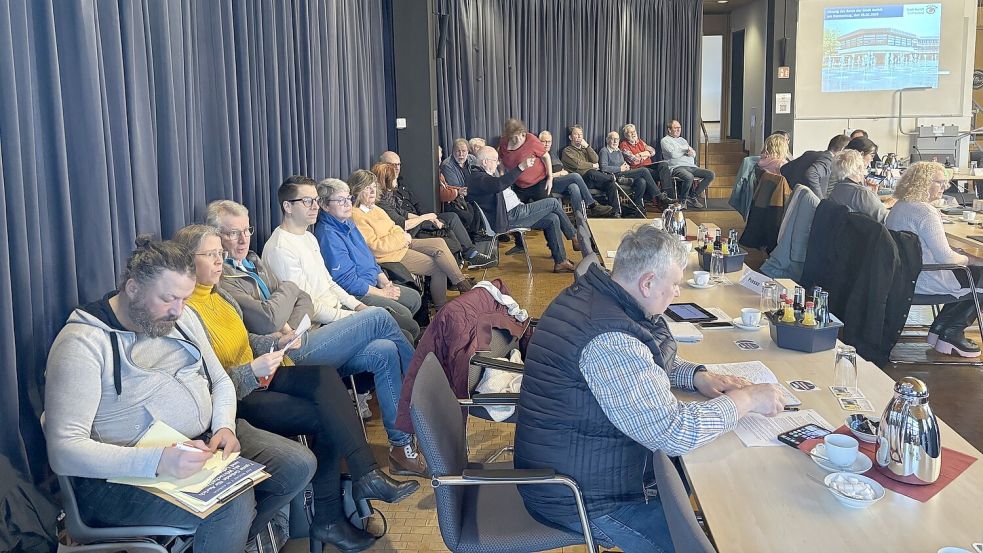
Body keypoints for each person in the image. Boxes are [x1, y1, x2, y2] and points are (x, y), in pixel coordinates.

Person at [513, 226, 785, 551]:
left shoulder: (599, 297)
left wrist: (697, 377)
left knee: (712, 501)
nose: (677, 294)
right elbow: (673, 433)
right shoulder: (609, 339)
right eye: (674, 284)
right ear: (647, 282)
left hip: (584, 465)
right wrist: (747, 399)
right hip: (586, 496)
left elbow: (640, 366)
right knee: (699, 543)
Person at [44, 237, 317, 553]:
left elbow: (221, 381)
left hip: (200, 442)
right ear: (132, 289)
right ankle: (222, 536)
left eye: (185, 299)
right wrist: (157, 460)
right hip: (121, 475)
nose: (178, 311)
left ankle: (223, 541)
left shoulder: (182, 318)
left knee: (297, 465)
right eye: (168, 299)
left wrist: (224, 426)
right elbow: (63, 452)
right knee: (230, 505)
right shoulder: (83, 343)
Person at [173, 224, 421, 550]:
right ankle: (333, 515)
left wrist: (273, 341)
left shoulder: (218, 295)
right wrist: (251, 370)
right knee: (327, 415)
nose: (220, 260)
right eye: (211, 255)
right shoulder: (185, 311)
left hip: (263, 373)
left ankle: (364, 476)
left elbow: (248, 338)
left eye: (221, 253)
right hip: (239, 396)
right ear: (188, 261)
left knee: (326, 379)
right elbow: (208, 384)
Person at [205, 200, 427, 477]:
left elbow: (302, 297)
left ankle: (401, 447)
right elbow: (266, 319)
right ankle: (424, 390)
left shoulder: (254, 260)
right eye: (231, 233)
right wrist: (284, 312)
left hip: (300, 334)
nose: (242, 238)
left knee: (384, 351)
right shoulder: (224, 278)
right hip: (284, 354)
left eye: (246, 230)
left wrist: (287, 318)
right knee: (379, 317)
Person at [262, 175, 421, 342]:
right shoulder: (281, 248)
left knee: (407, 326)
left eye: (315, 200)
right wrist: (354, 313)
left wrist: (359, 306)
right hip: (318, 325)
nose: (315, 206)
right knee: (404, 332)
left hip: (339, 305)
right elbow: (309, 306)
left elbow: (331, 282)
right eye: (308, 201)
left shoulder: (309, 237)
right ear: (288, 206)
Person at [318, 174, 474, 309]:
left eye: (374, 187)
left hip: (399, 246)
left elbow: (395, 227)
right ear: (357, 190)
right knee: (438, 266)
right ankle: (444, 305)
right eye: (367, 188)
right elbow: (376, 247)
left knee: (439, 244)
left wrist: (399, 237)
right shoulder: (355, 216)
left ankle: (459, 283)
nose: (373, 191)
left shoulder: (375, 209)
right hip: (391, 255)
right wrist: (401, 238)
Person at [886, 161, 983, 357]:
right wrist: (971, 260)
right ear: (923, 183)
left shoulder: (901, 205)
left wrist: (962, 255)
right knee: (977, 274)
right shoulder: (925, 212)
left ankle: (940, 328)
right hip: (927, 277)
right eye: (939, 182)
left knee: (971, 269)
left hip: (907, 275)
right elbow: (945, 256)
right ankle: (952, 333)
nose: (944, 187)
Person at [468, 146, 579, 273]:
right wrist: (520, 167)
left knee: (552, 219)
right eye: (495, 160)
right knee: (553, 203)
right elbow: (499, 184)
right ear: (485, 162)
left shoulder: (482, 176)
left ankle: (561, 261)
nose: (497, 163)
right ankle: (574, 236)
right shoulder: (478, 178)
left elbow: (500, 183)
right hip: (511, 216)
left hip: (515, 212)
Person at [375, 158, 493, 268]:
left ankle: (469, 255)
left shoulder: (400, 187)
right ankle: (457, 268)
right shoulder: (384, 200)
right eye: (392, 165)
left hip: (417, 218)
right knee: (446, 234)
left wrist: (431, 217)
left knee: (451, 218)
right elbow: (402, 222)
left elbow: (417, 205)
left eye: (398, 164)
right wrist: (426, 218)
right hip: (410, 229)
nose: (396, 168)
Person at [538, 130, 614, 217]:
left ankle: (579, 217)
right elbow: (539, 176)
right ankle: (592, 205)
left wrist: (563, 172)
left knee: (574, 187)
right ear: (538, 141)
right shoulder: (537, 155)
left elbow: (564, 169)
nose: (547, 144)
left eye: (549, 141)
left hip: (560, 181)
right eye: (544, 141)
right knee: (575, 176)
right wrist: (557, 174)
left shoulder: (552, 153)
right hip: (547, 183)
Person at [561, 124, 624, 217]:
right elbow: (578, 164)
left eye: (581, 134)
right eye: (576, 134)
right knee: (590, 172)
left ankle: (615, 212)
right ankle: (615, 178)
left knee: (611, 184)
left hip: (595, 178)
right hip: (582, 180)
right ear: (570, 137)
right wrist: (592, 165)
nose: (579, 136)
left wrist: (587, 146)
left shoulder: (585, 149)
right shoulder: (567, 151)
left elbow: (596, 159)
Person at [599, 130, 671, 212]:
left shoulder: (618, 150)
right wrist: (620, 168)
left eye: (617, 139)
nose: (615, 141)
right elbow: (603, 168)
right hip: (614, 176)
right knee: (643, 171)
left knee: (642, 181)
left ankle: (637, 206)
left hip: (623, 174)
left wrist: (626, 167)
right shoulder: (604, 151)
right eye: (612, 139)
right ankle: (659, 196)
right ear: (607, 140)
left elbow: (624, 164)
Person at [497, 118, 556, 204]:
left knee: (550, 210)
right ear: (509, 135)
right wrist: (502, 177)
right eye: (515, 136)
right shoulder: (504, 142)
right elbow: (501, 159)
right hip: (519, 186)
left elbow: (546, 156)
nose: (519, 138)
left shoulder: (531, 140)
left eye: (520, 134)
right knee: (519, 214)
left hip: (538, 183)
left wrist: (550, 177)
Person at [661, 119, 716, 208]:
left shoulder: (683, 140)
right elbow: (673, 155)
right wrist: (685, 150)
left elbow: (693, 154)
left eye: (679, 127)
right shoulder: (665, 141)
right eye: (675, 128)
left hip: (691, 166)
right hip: (677, 167)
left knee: (710, 174)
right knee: (689, 176)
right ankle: (682, 201)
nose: (678, 130)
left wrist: (688, 152)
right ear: (669, 129)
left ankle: (692, 196)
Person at [827, 150, 890, 223]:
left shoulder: (837, 189)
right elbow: (886, 219)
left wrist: (873, 194)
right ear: (859, 168)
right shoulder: (862, 193)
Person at [780, 134, 851, 199]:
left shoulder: (810, 154)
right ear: (842, 149)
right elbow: (811, 174)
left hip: (796, 200)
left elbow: (784, 169)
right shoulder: (828, 160)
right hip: (812, 205)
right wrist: (820, 200)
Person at [619, 123, 673, 196]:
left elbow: (653, 151)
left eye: (634, 131)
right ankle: (662, 197)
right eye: (630, 132)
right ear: (626, 135)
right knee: (660, 174)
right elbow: (634, 161)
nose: (633, 134)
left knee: (664, 164)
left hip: (649, 166)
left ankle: (667, 194)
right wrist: (647, 154)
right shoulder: (624, 145)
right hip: (638, 169)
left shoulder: (640, 141)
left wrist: (640, 154)